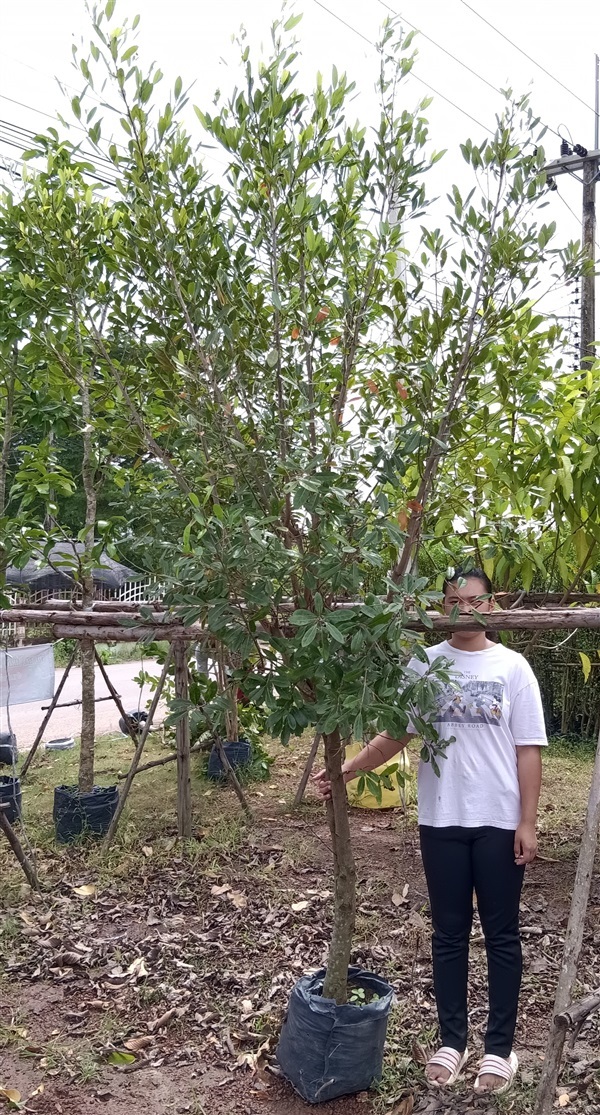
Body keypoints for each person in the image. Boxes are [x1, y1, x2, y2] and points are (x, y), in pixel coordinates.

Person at [313, 568, 546, 1096]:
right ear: (440, 607)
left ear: (491, 604)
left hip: (498, 820)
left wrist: (528, 821)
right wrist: (348, 768)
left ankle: (499, 1048)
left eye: (472, 600)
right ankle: (452, 1041)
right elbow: (397, 732)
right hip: (441, 819)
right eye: (451, 601)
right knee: (448, 934)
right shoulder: (425, 664)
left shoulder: (513, 668)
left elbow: (528, 748)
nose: (462, 608)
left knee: (502, 935)